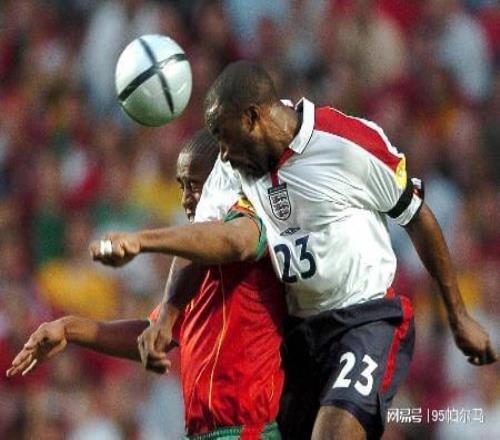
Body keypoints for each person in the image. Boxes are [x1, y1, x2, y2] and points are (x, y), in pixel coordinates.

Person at [91, 61, 497, 440]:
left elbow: (417, 217)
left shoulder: (345, 144)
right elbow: (203, 238)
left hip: (364, 320)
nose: (224, 154)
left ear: (253, 117)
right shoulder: (232, 168)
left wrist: (459, 316)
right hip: (300, 331)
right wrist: (167, 316)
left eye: (227, 140)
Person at [7, 128, 286, 440]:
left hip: (248, 433)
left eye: (195, 186)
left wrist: (141, 240)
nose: (186, 199)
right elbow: (152, 336)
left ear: (224, 181)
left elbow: (236, 241)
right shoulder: (193, 271)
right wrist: (69, 328)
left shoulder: (252, 222)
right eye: (181, 186)